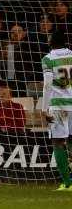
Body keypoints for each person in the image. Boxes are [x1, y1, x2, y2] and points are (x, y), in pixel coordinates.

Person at [42, 30, 72, 191]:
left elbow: (47, 85)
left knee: (58, 143)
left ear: (52, 41)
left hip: (58, 105)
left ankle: (67, 183)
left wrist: (44, 108)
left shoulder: (48, 59)